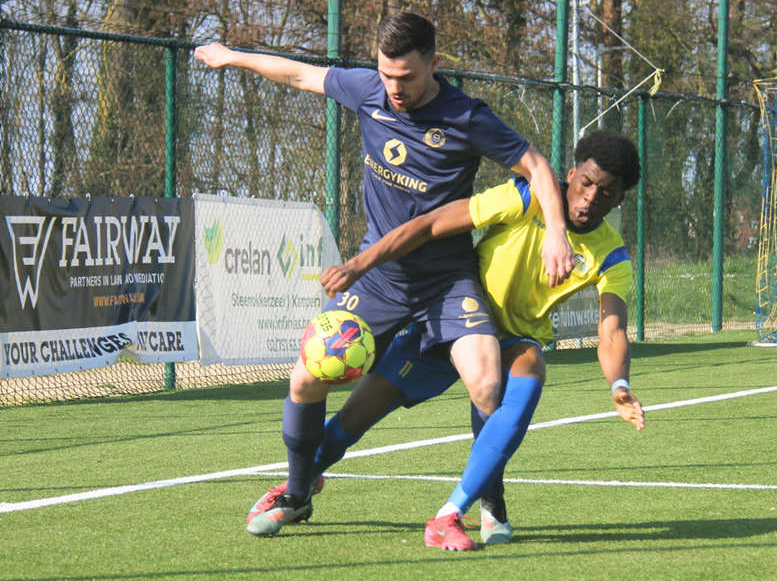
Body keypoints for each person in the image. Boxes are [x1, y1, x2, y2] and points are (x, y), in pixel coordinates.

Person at [195, 12, 575, 537]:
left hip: (446, 280)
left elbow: (536, 166)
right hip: (378, 278)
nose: (394, 87)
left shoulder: (467, 117)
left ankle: (491, 501)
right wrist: (232, 56)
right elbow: (298, 74)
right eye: (386, 74)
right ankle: (298, 493)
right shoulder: (367, 90)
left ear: (433, 64)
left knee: (488, 385)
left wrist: (556, 230)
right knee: (305, 377)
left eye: (407, 77)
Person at [260, 129, 645, 549]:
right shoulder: (525, 196)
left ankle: (459, 511)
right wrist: (361, 264)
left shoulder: (611, 255)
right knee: (348, 426)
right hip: (449, 319)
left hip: (515, 338)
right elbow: (433, 224)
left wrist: (619, 384)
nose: (590, 198)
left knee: (524, 377)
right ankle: (298, 490)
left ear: (619, 200)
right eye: (586, 183)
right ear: (570, 175)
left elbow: (612, 331)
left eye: (606, 192)